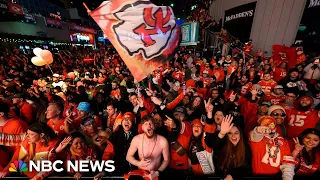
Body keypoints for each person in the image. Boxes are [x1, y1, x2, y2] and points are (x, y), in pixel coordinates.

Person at [205, 115, 252, 180]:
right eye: (230, 133)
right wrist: (222, 133)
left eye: (236, 133)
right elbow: (211, 144)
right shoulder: (223, 145)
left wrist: (232, 176)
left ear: (240, 135)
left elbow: (246, 168)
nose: (233, 136)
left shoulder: (246, 148)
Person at [125, 115, 169, 180]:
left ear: (154, 126)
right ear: (142, 127)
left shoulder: (163, 141)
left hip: (155, 175)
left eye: (151, 123)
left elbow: (166, 160)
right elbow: (128, 156)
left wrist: (157, 172)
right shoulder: (137, 139)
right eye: (146, 124)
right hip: (141, 175)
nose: (149, 125)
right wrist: (138, 163)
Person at [0, 100, 28, 170]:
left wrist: (8, 169)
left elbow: (23, 151)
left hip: (16, 166)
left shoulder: (18, 125)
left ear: (1, 114)